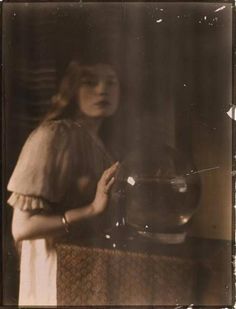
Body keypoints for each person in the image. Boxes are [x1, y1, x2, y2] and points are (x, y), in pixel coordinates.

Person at [7, 60, 120, 306]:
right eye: (90, 82)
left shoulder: (101, 142)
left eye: (111, 82)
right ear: (71, 88)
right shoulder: (52, 137)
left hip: (88, 269)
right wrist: (91, 209)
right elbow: (22, 228)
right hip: (52, 269)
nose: (103, 90)